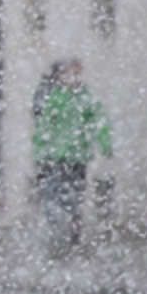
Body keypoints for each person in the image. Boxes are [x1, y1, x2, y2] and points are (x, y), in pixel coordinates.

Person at [31, 59, 112, 259]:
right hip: (53, 158)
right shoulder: (54, 98)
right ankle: (57, 237)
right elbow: (43, 126)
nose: (73, 78)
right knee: (54, 198)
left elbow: (98, 120)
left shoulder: (85, 98)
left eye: (76, 74)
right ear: (59, 77)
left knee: (74, 199)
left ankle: (73, 237)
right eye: (68, 74)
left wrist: (105, 143)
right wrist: (40, 152)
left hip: (76, 157)